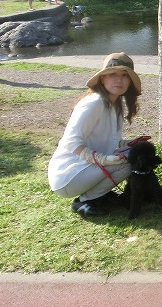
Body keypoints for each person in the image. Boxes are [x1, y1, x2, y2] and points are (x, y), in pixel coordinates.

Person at [47, 53, 145, 217]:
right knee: (129, 162)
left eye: (124, 76)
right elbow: (70, 142)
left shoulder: (115, 105)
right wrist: (102, 159)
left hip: (85, 169)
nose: (118, 80)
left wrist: (128, 144)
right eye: (113, 74)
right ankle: (85, 200)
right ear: (102, 78)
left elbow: (108, 140)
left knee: (139, 153)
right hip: (68, 175)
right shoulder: (95, 102)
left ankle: (100, 194)